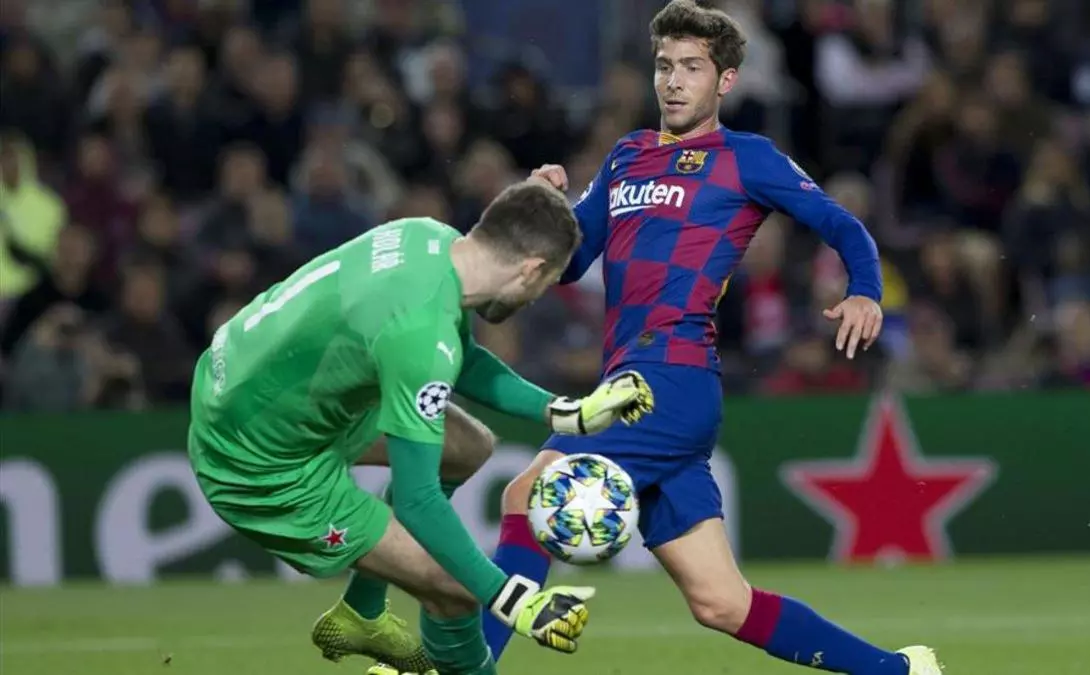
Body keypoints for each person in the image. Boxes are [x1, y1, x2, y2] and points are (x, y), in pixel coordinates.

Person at [474, 2, 938, 674]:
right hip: (636, 382)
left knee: (525, 495)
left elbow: (842, 224)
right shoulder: (627, 155)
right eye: (665, 65)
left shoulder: (746, 158)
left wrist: (865, 288)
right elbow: (572, 262)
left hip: (668, 378)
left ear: (726, 80)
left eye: (692, 67)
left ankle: (464, 667)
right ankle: (899, 670)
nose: (673, 80)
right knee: (722, 602)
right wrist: (543, 206)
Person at [186, 178, 655, 675]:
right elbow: (417, 501)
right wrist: (511, 598)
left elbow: (461, 355)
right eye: (547, 283)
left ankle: (362, 612)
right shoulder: (419, 336)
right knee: (455, 592)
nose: (537, 297)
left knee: (467, 446)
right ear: (531, 269)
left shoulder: (427, 239)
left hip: (252, 387)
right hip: (258, 462)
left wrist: (564, 413)